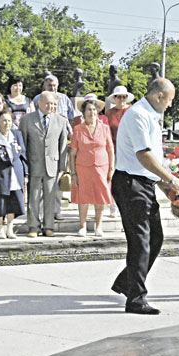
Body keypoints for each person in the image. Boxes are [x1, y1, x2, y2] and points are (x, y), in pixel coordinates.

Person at [111, 78, 179, 315]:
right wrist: (172, 179)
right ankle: (135, 299)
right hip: (130, 184)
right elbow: (144, 156)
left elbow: (152, 161)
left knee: (155, 239)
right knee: (140, 242)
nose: (170, 105)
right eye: (170, 100)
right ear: (159, 96)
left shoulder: (150, 116)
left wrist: (164, 183)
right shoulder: (138, 115)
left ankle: (127, 282)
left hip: (142, 183)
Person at [19, 91, 67, 237]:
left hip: (52, 164)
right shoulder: (27, 120)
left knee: (50, 196)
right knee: (33, 196)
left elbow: (63, 144)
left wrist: (62, 167)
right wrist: (24, 166)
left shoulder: (61, 121)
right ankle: (33, 226)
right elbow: (23, 144)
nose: (50, 106)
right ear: (39, 103)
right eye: (47, 103)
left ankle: (48, 226)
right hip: (34, 163)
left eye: (53, 103)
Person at [69, 95, 114, 237]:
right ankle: (82, 226)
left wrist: (111, 168)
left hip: (102, 167)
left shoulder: (105, 128)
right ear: (83, 112)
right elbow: (72, 153)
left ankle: (98, 226)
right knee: (83, 197)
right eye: (89, 109)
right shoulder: (78, 129)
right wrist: (73, 173)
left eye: (94, 110)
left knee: (100, 197)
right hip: (83, 167)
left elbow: (110, 149)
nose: (92, 112)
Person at [30, 74, 73, 220]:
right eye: (50, 85)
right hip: (41, 150)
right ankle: (41, 214)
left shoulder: (64, 102)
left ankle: (56, 211)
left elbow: (70, 124)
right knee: (41, 185)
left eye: (54, 85)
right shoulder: (37, 100)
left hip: (58, 150)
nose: (53, 88)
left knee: (57, 184)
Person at [0, 109, 27, 239]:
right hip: (0, 175)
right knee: (0, 202)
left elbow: (23, 155)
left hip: (16, 173)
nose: (7, 123)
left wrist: (25, 174)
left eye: (9, 120)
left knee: (14, 201)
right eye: (4, 121)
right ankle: (0, 229)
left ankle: (10, 228)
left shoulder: (17, 135)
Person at [104, 85, 134, 218]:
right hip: (114, 150)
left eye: (123, 96)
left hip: (129, 150)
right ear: (114, 98)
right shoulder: (109, 113)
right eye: (118, 96)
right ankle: (113, 207)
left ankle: (127, 210)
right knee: (114, 179)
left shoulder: (132, 111)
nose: (121, 99)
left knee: (128, 179)